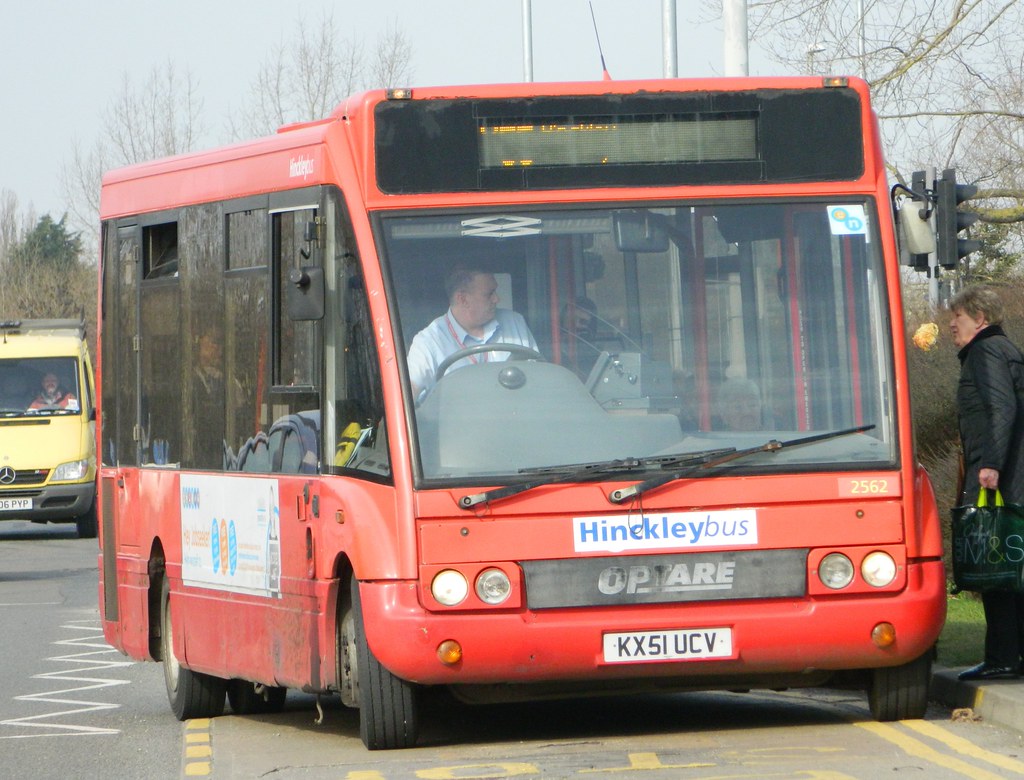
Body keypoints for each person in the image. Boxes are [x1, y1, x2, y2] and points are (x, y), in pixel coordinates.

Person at [949, 285, 1024, 681]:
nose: (950, 324)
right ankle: (1014, 656)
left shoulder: (985, 351)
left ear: (979, 318)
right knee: (1013, 571)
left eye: (957, 317)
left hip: (1001, 479)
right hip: (1015, 479)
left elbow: (1001, 407)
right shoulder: (1004, 349)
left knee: (994, 566)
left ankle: (1002, 659)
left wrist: (990, 465)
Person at [407, 266, 538, 398]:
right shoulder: (430, 341)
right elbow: (408, 392)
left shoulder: (515, 322)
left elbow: (539, 375)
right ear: (463, 299)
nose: (496, 299)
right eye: (489, 294)